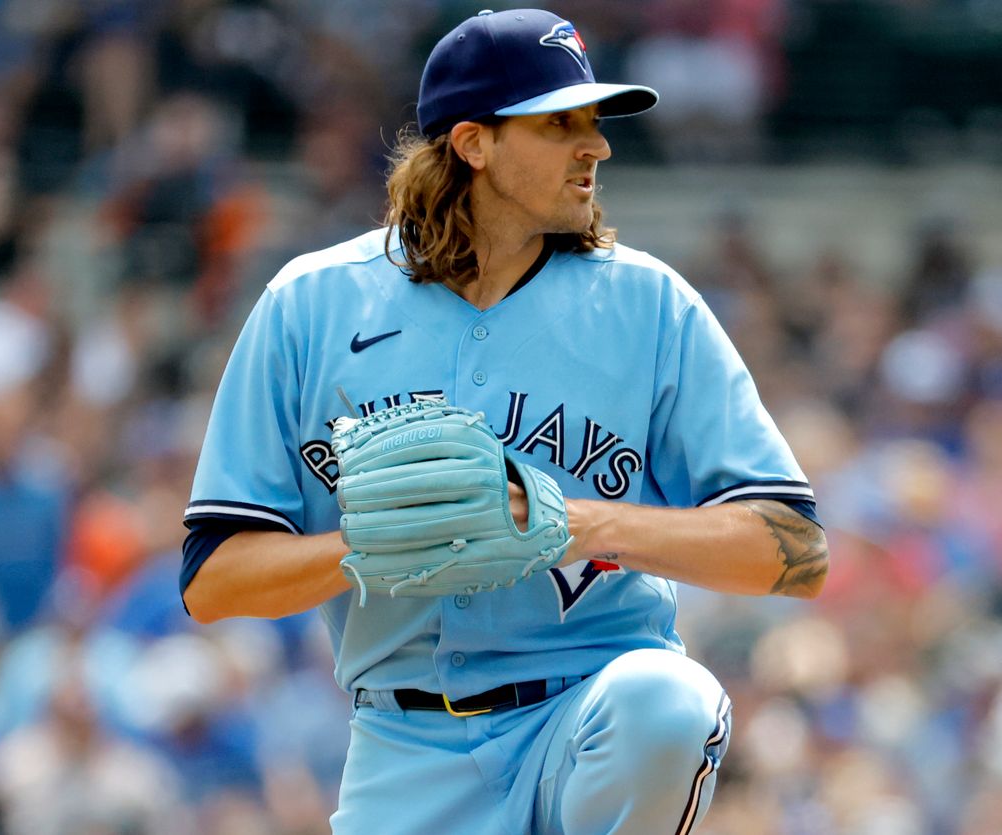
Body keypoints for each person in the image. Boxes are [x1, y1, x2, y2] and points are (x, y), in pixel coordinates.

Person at [179, 9, 828, 834]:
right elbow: (213, 578)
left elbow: (797, 551)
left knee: (669, 702)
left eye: (594, 123)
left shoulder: (649, 305)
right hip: (404, 741)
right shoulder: (309, 305)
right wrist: (379, 546)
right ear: (473, 142)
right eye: (561, 124)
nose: (596, 147)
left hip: (587, 712)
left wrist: (575, 522)